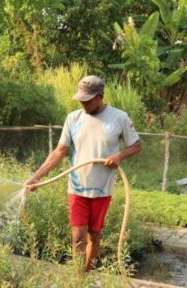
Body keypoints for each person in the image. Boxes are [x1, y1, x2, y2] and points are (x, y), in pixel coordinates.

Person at [24, 75, 142, 272]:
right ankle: (77, 278)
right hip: (77, 188)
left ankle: (85, 274)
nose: (83, 104)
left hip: (102, 189)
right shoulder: (74, 119)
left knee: (93, 236)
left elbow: (137, 146)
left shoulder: (119, 118)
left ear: (100, 97)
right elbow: (60, 151)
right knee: (78, 237)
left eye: (87, 100)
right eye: (81, 100)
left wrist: (119, 155)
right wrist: (37, 176)